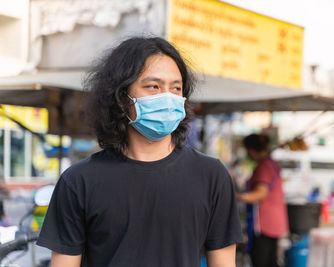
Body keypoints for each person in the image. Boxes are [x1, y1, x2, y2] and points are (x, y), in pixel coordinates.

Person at [37, 36, 243, 267]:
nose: (167, 97)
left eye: (176, 88)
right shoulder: (78, 181)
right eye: (153, 86)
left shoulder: (211, 175)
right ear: (122, 99)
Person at [236, 134, 288, 267]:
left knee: (261, 260)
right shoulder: (273, 164)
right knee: (271, 260)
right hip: (275, 222)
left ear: (251, 150)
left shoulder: (263, 167)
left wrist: (237, 196)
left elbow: (261, 194)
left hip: (264, 224)